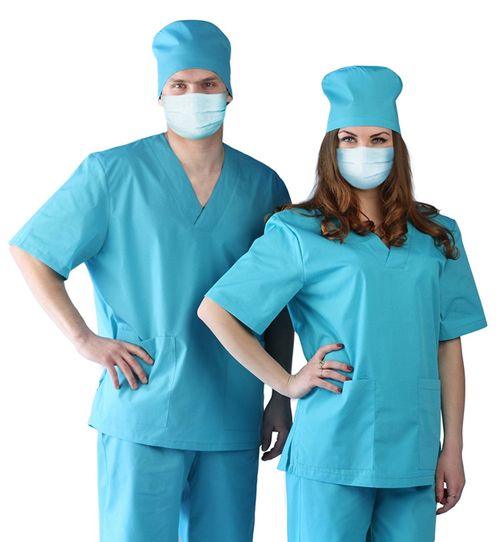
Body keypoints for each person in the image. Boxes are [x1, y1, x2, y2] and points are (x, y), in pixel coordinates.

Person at [8, 19, 295, 542]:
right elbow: (33, 252)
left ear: (229, 92)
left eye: (208, 83)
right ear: (159, 93)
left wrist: (281, 394)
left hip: (231, 412)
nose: (194, 95)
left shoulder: (263, 185)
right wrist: (83, 339)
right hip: (141, 403)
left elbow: (280, 302)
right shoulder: (111, 173)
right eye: (179, 85)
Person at [197, 65, 487, 542]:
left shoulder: (436, 236)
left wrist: (452, 446)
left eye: (378, 139)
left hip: (413, 454)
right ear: (331, 149)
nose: (363, 150)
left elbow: (447, 345)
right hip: (332, 447)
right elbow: (217, 310)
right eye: (349, 139)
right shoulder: (299, 231)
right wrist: (286, 382)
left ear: (397, 147)